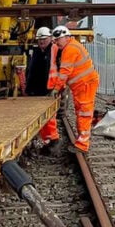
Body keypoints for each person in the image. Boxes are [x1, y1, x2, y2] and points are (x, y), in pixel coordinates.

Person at [42, 25, 99, 153]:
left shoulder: (70, 50)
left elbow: (64, 73)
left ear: (66, 37)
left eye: (58, 40)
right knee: (82, 112)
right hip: (83, 84)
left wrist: (56, 89)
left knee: (84, 113)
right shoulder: (73, 45)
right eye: (55, 41)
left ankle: (82, 145)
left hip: (84, 84)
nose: (56, 43)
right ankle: (82, 141)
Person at [25, 26, 54, 97]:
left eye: (44, 39)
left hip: (48, 90)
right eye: (39, 39)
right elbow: (31, 71)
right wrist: (29, 89)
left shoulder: (54, 51)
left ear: (50, 38)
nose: (41, 41)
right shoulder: (36, 52)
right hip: (35, 91)